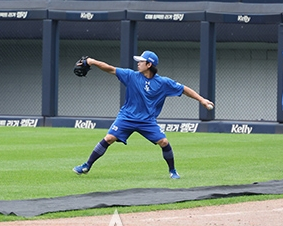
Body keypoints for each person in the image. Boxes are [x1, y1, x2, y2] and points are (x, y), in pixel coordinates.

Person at [72, 51, 214, 179]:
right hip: (127, 117)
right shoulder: (131, 76)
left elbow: (184, 89)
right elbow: (110, 68)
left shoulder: (163, 82)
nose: (138, 63)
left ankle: (173, 171)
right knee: (109, 138)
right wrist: (92, 61)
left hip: (147, 121)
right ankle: (86, 165)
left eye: (141, 61)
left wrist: (201, 100)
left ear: (149, 64)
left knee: (164, 142)